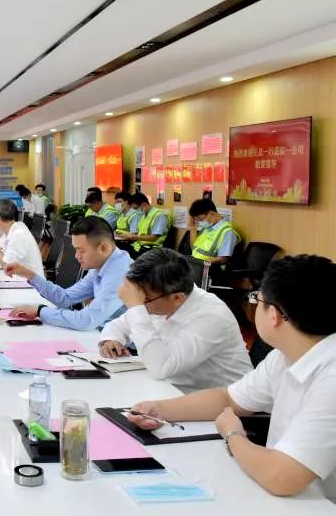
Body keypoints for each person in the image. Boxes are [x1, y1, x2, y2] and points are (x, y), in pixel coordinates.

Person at [127, 255, 336, 500]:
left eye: (257, 300)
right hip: (286, 496)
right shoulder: (284, 355)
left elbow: (281, 477)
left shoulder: (330, 377)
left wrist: (233, 434)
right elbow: (228, 398)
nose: (254, 306)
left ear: (274, 315)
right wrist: (160, 409)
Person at [99, 249, 252, 392]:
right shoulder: (162, 296)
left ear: (177, 298)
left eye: (144, 300)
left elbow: (161, 368)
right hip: (171, 390)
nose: (140, 305)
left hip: (222, 404)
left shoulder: (211, 316)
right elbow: (120, 324)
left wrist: (136, 307)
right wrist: (112, 340)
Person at [6, 216, 132, 331]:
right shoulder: (102, 264)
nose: (76, 256)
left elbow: (86, 320)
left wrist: (40, 311)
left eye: (81, 251)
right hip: (105, 335)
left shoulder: (120, 274)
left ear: (103, 248)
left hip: (124, 344)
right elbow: (65, 298)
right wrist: (30, 275)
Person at [0, 199, 43, 274]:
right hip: (20, 277)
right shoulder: (11, 229)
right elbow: (2, 252)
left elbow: (8, 267)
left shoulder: (19, 234)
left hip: (29, 280)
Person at [188, 199, 240, 266]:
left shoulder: (227, 232)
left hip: (211, 269)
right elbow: (194, 250)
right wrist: (193, 230)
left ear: (212, 213)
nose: (199, 222)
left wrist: (202, 263)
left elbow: (223, 259)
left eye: (200, 219)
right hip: (196, 266)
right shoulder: (206, 228)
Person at [116, 192, 168, 257]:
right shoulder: (143, 216)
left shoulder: (159, 216)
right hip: (139, 246)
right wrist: (125, 235)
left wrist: (135, 237)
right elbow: (140, 233)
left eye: (136, 208)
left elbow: (153, 238)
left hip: (151, 249)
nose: (135, 211)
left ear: (143, 204)